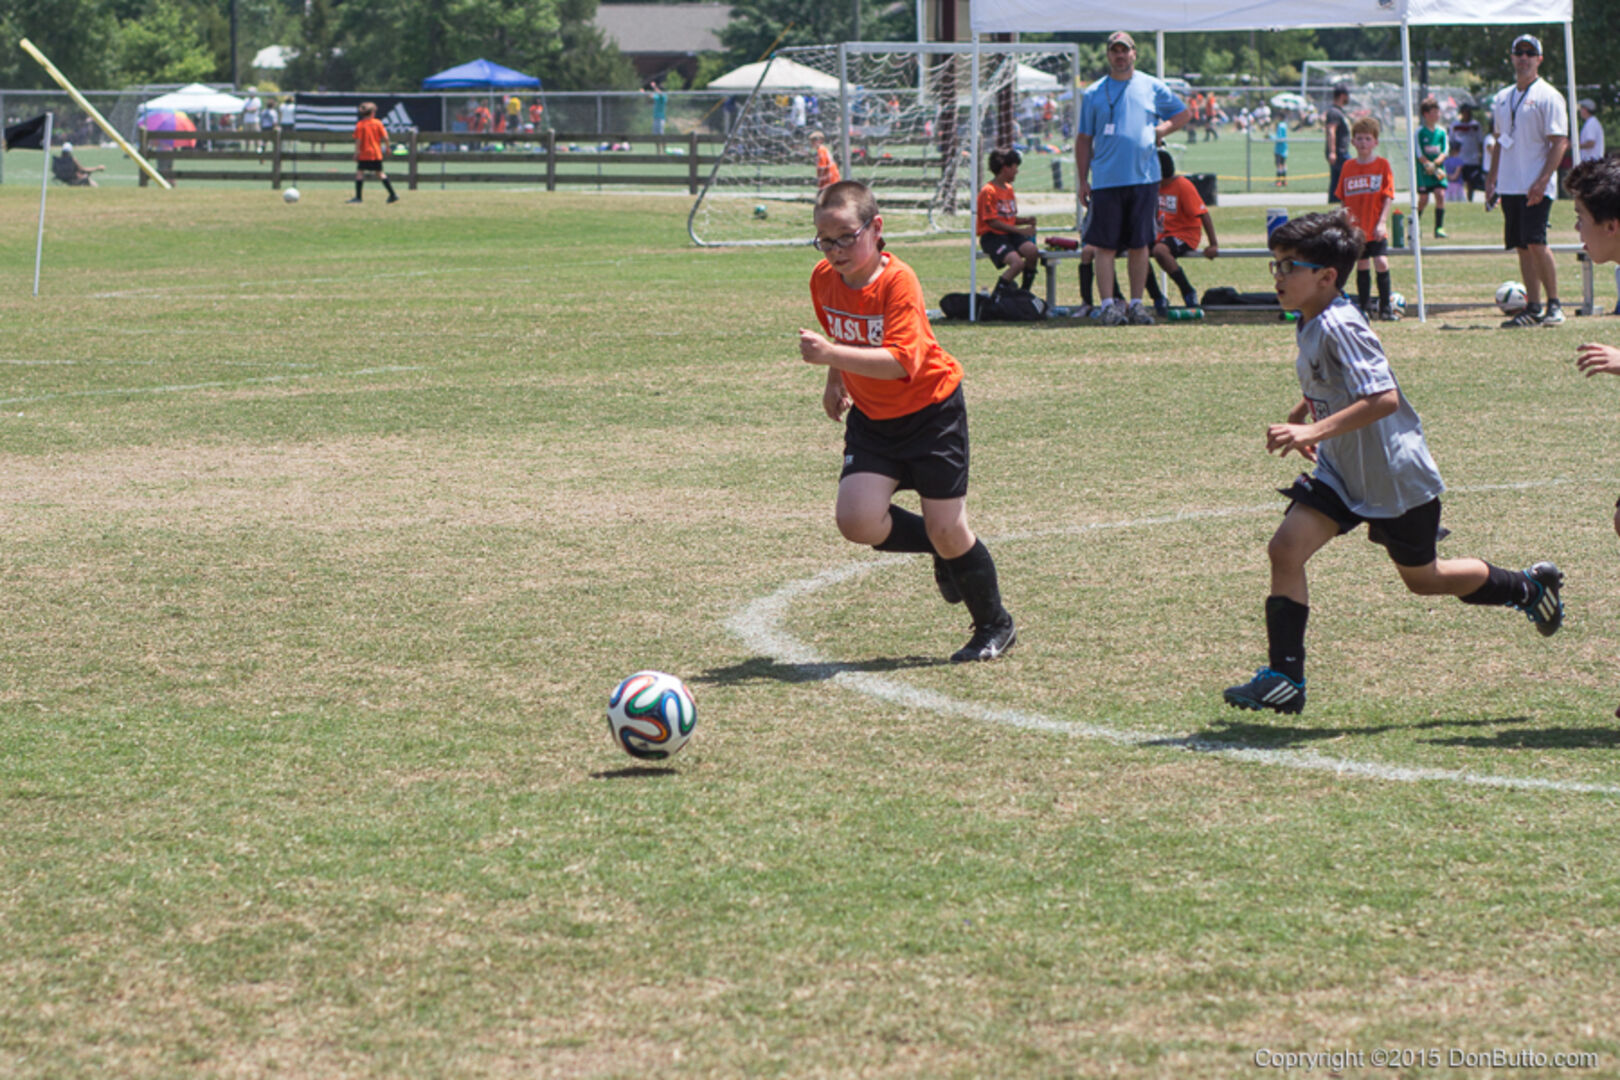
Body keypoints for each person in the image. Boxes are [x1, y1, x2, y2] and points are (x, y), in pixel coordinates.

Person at [1223, 210, 1565, 716]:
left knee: (1425, 579)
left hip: (1393, 476)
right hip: (1342, 470)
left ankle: (1529, 587)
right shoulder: (1311, 318)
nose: (1278, 276)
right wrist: (1304, 412)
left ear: (1326, 276)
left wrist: (1310, 431)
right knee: (1285, 549)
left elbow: (1382, 398)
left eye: (1289, 266)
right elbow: (1334, 380)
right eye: (1276, 265)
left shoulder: (1340, 324)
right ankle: (1285, 679)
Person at [800, 180, 1017, 663]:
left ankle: (995, 624)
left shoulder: (898, 281)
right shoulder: (824, 278)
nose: (835, 250)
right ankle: (943, 551)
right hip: (874, 419)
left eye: (846, 237)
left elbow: (901, 361)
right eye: (825, 240)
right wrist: (835, 378)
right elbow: (841, 332)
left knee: (949, 529)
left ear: (876, 228)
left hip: (931, 415)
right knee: (857, 520)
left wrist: (830, 356)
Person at [1073, 30, 1189, 326]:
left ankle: (1137, 304)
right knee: (1104, 246)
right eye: (1115, 50)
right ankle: (1109, 305)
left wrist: (1161, 130)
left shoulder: (1152, 86)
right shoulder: (1094, 93)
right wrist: (1082, 180)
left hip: (1144, 178)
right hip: (1106, 180)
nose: (1120, 55)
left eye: (1125, 50)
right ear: (1108, 55)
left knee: (1140, 244)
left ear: (1134, 53)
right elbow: (1084, 139)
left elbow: (1182, 114)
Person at [1487, 33, 1570, 328]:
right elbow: (1499, 140)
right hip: (1510, 184)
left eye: (1529, 53)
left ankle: (1554, 304)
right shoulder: (1502, 97)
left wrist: (1543, 180)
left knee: (1536, 242)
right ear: (1512, 57)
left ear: (1539, 59)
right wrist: (1492, 178)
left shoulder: (1548, 96)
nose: (1524, 58)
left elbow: (1559, 142)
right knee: (1521, 245)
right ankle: (1533, 306)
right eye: (1519, 53)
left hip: (1535, 183)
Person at [1335, 116, 1398, 321]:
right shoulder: (1348, 167)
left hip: (1375, 226)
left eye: (1368, 139)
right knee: (1362, 264)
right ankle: (1364, 308)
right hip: (1357, 229)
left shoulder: (1382, 165)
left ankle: (1386, 308)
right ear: (1353, 142)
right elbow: (1343, 199)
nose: (1363, 143)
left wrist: (1382, 222)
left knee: (1381, 262)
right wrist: (1345, 223)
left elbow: (1388, 196)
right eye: (1360, 138)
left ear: (1375, 142)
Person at [1151, 149, 1218, 313]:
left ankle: (1187, 291)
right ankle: (1157, 297)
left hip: (1184, 234)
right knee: (1137, 250)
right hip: (1162, 235)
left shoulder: (1182, 185)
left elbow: (1203, 214)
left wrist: (1213, 244)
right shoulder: (1152, 187)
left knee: (1159, 251)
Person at [977, 148, 1040, 295]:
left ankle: (1024, 293)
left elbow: (1008, 218)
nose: (1017, 171)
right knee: (1017, 264)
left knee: (1032, 252)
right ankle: (996, 296)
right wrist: (1021, 231)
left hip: (1009, 235)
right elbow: (993, 222)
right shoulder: (988, 191)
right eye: (1015, 167)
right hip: (993, 237)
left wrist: (1025, 221)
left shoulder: (1009, 189)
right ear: (1005, 168)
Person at [348, 102, 398, 204]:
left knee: (360, 173)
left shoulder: (360, 125)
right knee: (380, 173)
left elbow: (358, 140)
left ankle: (358, 197)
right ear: (372, 113)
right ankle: (393, 194)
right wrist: (388, 147)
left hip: (365, 154)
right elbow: (386, 137)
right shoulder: (378, 123)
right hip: (376, 153)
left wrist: (356, 153)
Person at [1415, 97, 1450, 238]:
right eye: (1433, 112)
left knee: (1440, 195)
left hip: (1438, 170)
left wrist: (1435, 164)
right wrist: (1427, 164)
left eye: (1438, 112)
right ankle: (1415, 227)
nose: (1437, 115)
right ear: (1426, 114)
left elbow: (1445, 150)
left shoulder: (1441, 132)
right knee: (1423, 199)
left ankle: (1439, 228)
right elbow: (1418, 152)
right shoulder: (1420, 132)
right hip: (1424, 172)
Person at [1448, 102, 1485, 201]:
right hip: (1459, 157)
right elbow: (1451, 142)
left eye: (1468, 112)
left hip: (1472, 158)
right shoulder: (1455, 125)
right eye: (1464, 112)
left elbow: (1480, 141)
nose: (1466, 114)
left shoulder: (1475, 125)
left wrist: (1480, 155)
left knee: (1471, 181)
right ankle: (1458, 198)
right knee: (1458, 180)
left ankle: (1469, 199)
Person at [1323, 85, 1352, 205]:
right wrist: (1332, 152)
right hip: (1339, 151)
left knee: (1337, 179)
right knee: (1348, 173)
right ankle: (1338, 201)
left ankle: (1335, 202)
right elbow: (1331, 131)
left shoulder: (1339, 111)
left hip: (1342, 151)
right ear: (1342, 96)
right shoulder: (1334, 112)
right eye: (1347, 95)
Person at [1273, 115, 1289, 187]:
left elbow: (1279, 137)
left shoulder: (1280, 125)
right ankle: (1284, 181)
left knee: (1279, 165)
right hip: (1284, 147)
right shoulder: (1285, 125)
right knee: (1283, 164)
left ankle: (1279, 181)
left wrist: (1270, 136)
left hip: (1279, 148)